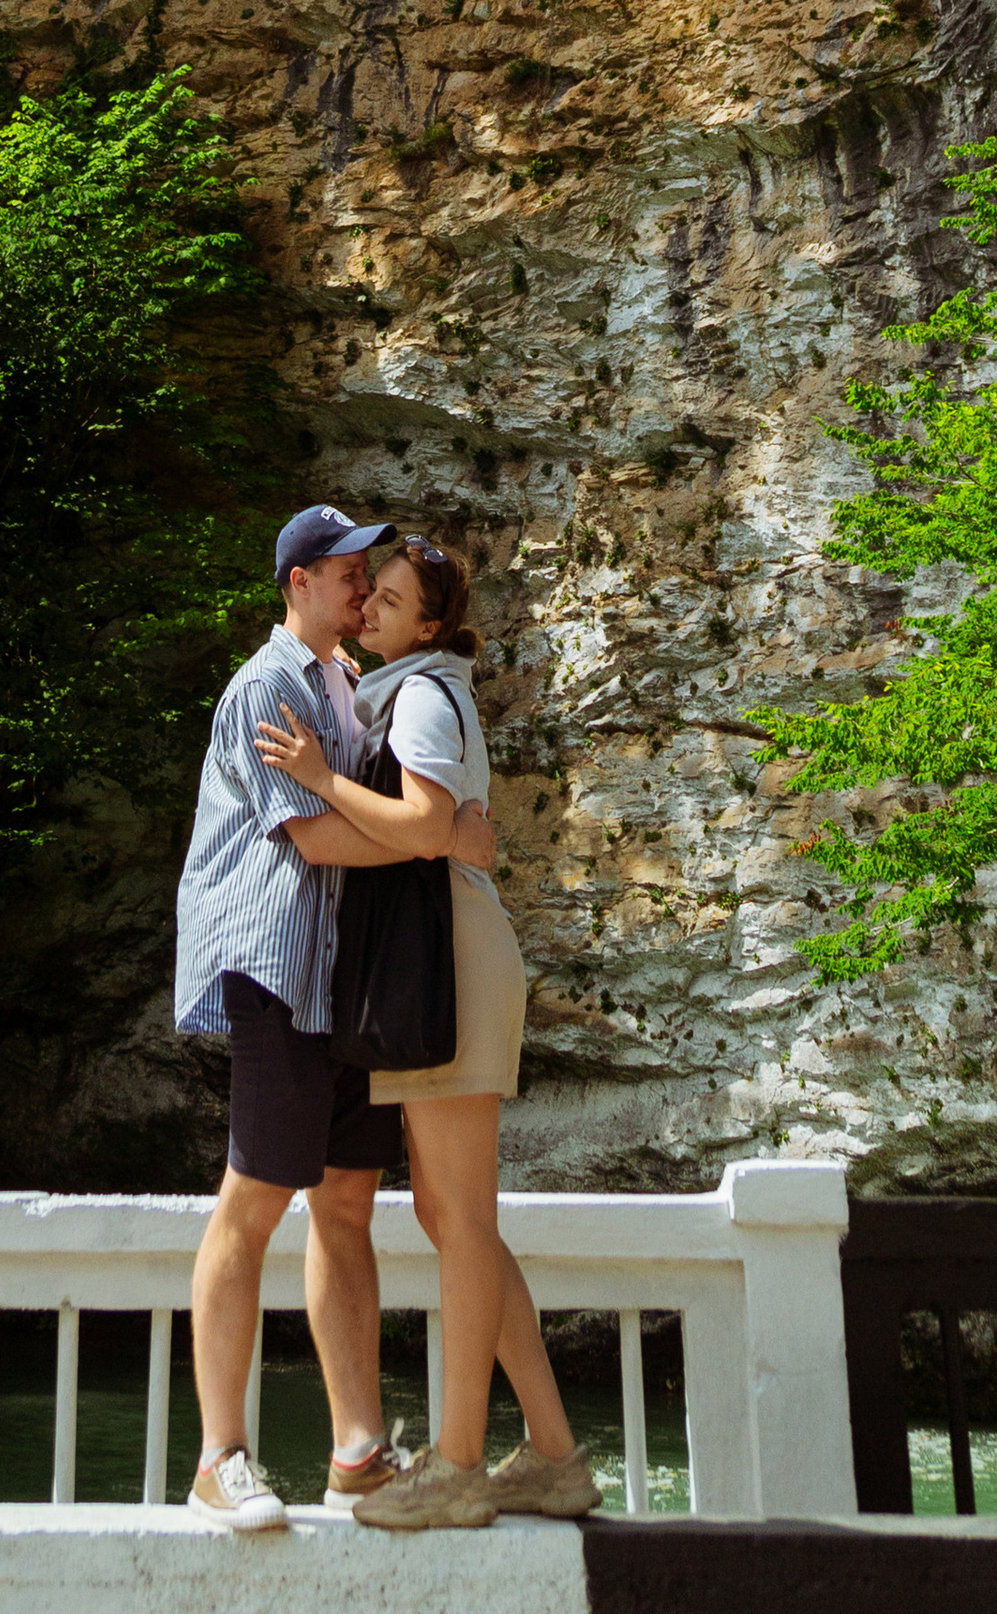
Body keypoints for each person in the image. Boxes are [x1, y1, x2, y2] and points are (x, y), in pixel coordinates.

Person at [254, 533, 599, 1532]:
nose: (368, 608)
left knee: (461, 1220)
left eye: (391, 600)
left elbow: (417, 825)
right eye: (373, 594)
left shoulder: (421, 697)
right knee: (460, 1222)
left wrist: (318, 775)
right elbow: (435, 827)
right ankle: (549, 1452)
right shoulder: (402, 688)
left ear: (431, 625)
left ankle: (454, 1464)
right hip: (436, 952)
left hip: (447, 957)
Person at [168, 503, 497, 1533]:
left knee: (346, 1203)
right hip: (274, 974)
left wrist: (436, 825)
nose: (363, 586)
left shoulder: (352, 687)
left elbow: (390, 809)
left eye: (372, 573)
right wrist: (437, 836)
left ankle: (357, 1452)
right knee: (253, 1198)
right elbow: (312, 839)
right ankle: (220, 1455)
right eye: (349, 570)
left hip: (345, 983)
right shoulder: (266, 687)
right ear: (298, 581)